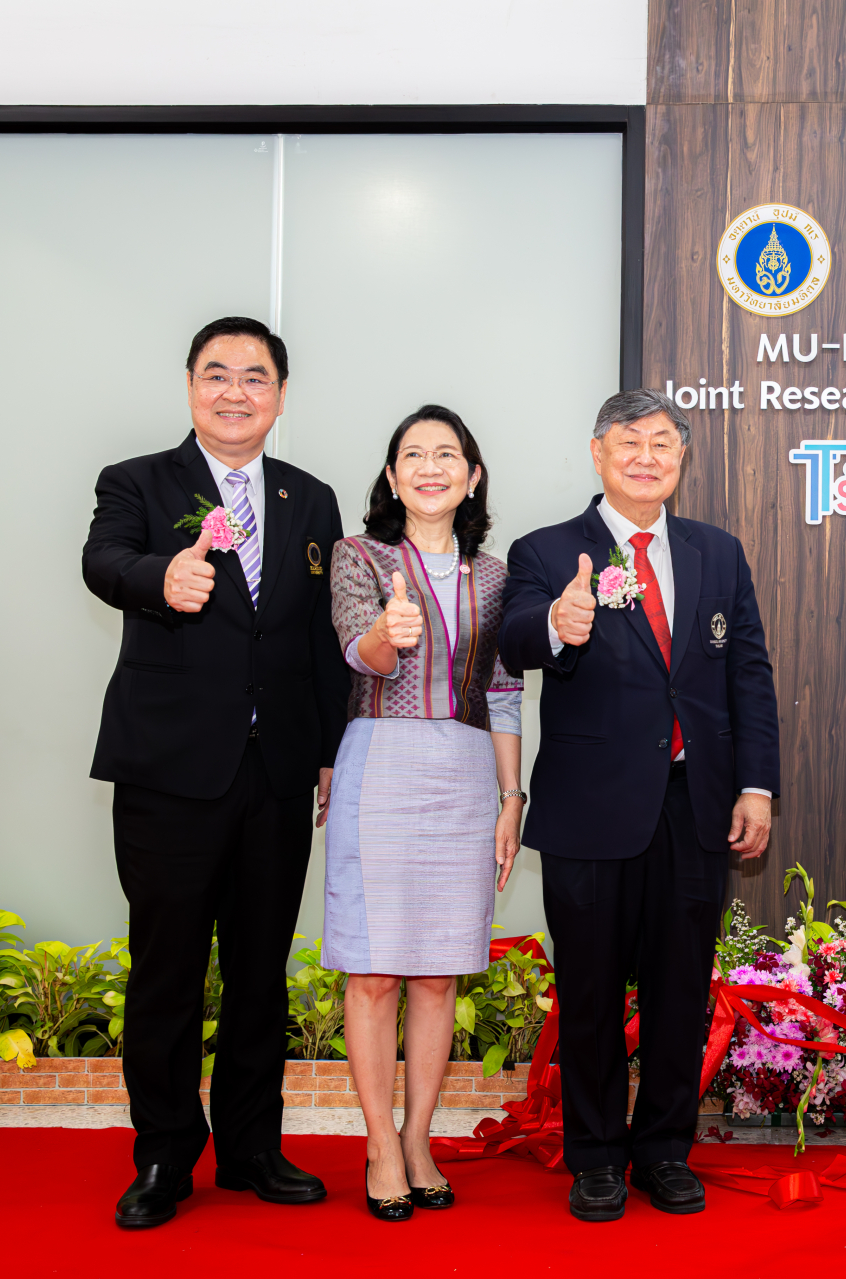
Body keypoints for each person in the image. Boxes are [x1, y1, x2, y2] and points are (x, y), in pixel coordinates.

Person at [84, 316, 351, 1229]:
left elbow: (319, 637)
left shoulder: (310, 500)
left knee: (261, 971)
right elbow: (103, 561)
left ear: (279, 393)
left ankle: (250, 1146)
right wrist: (163, 578)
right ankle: (163, 1153)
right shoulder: (137, 482)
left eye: (256, 376)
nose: (236, 391)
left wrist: (326, 749)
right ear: (191, 385)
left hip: (274, 771)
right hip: (169, 770)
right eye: (217, 373)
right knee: (166, 970)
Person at [497, 388, 780, 1223]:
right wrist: (559, 617)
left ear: (681, 458)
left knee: (678, 988)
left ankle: (663, 1149)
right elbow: (513, 639)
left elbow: (748, 674)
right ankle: (594, 1155)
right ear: (597, 453)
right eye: (630, 441)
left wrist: (755, 784)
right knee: (587, 990)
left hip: (695, 805)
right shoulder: (548, 550)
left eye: (663, 441)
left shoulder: (716, 552)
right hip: (590, 811)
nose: (647, 455)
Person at [323, 405, 526, 1221]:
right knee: (372, 970)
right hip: (380, 764)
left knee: (439, 972)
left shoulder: (498, 574)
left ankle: (417, 1137)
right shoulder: (359, 555)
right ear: (393, 473)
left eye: (449, 454)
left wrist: (513, 799)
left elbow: (506, 692)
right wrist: (386, 630)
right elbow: (354, 649)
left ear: (473, 476)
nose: (431, 466)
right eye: (414, 454)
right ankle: (378, 1142)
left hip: (468, 773)